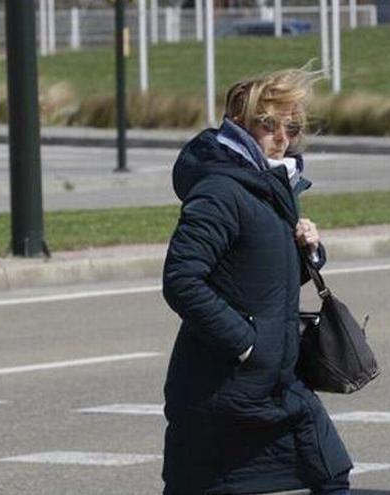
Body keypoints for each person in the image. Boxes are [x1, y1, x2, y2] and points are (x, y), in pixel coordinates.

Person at [161, 67, 353, 494]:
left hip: (269, 381)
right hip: (223, 387)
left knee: (331, 473)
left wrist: (309, 252)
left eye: (292, 127)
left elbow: (265, 279)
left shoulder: (269, 189)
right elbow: (180, 279)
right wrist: (246, 342)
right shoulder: (220, 192)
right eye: (269, 125)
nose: (282, 137)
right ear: (241, 124)